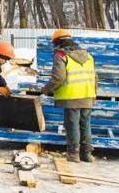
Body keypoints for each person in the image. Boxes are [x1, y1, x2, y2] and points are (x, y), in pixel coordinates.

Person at [41, 28, 98, 162]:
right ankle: (87, 154)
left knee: (72, 125)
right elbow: (95, 77)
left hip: (71, 96)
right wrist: (94, 94)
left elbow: (58, 78)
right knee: (85, 125)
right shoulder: (88, 55)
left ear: (58, 42)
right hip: (88, 94)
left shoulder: (61, 55)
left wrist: (46, 89)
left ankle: (73, 154)